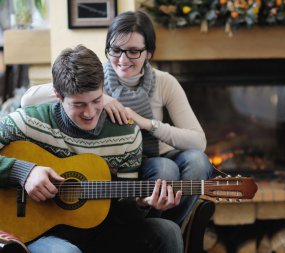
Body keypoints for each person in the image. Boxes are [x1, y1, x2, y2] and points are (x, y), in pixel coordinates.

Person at [21, 10, 212, 225]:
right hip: (121, 163)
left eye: (133, 51)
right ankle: (150, 230)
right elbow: (28, 100)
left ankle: (171, 228)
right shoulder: (94, 80)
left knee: (197, 161)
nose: (122, 59)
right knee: (165, 170)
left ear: (148, 53)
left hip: (156, 155)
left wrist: (146, 123)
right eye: (116, 50)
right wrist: (102, 97)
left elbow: (199, 142)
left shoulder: (164, 82)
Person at [1, 45, 183, 253]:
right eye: (78, 104)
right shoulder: (27, 122)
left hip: (102, 231)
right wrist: (25, 173)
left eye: (96, 100)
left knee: (167, 231)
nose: (89, 113)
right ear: (58, 96)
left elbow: (123, 212)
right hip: (39, 232)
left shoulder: (126, 134)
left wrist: (141, 204)